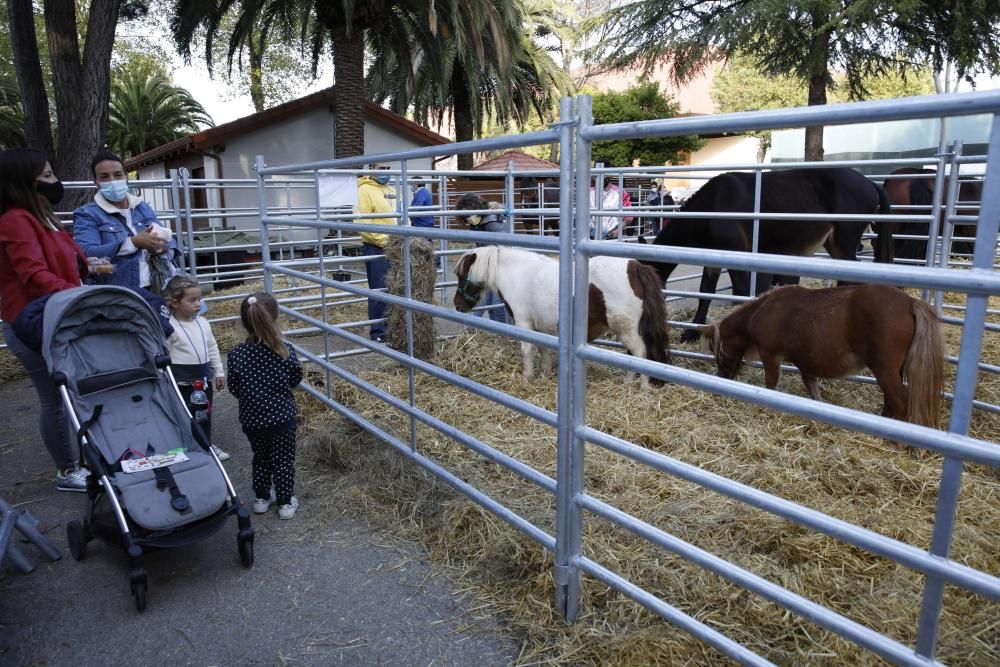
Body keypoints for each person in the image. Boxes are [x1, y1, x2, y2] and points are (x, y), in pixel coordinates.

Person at [0, 147, 90, 491]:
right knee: (54, 400)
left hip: (58, 315)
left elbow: (66, 256)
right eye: (48, 176)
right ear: (25, 182)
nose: (55, 182)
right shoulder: (15, 220)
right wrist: (77, 295)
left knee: (70, 393)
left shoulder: (43, 215)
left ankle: (83, 459)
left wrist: (88, 267)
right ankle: (67, 470)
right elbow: (33, 274)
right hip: (33, 322)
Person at [226, 293, 303, 520]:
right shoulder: (284, 350)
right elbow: (295, 377)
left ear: (244, 321)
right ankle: (285, 503)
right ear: (275, 318)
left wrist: (252, 397)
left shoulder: (236, 355)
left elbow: (234, 387)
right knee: (283, 460)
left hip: (253, 419)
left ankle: (261, 499)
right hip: (282, 417)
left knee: (260, 457)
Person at [72, 149, 179, 295]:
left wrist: (162, 248)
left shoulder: (142, 206)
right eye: (104, 177)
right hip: (120, 294)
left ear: (126, 176)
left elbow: (170, 241)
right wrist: (133, 243)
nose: (113, 181)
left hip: (157, 286)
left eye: (117, 175)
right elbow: (87, 252)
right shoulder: (87, 214)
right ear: (96, 182)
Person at [163, 274, 230, 461]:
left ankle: (206, 444)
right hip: (181, 381)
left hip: (204, 380)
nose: (197, 304)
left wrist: (218, 372)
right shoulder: (170, 327)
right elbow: (163, 353)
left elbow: (212, 347)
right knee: (184, 415)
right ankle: (185, 447)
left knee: (204, 414)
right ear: (175, 303)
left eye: (199, 299)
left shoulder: (203, 323)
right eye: (191, 300)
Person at [356, 163, 396, 342]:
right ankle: (378, 333)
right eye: (381, 168)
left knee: (394, 288)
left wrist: (409, 234)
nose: (385, 172)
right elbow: (362, 222)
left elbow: (401, 214)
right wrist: (384, 241)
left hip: (396, 245)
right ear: (371, 169)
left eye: (388, 169)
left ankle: (392, 328)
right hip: (376, 246)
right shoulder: (364, 191)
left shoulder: (391, 189)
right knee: (379, 289)